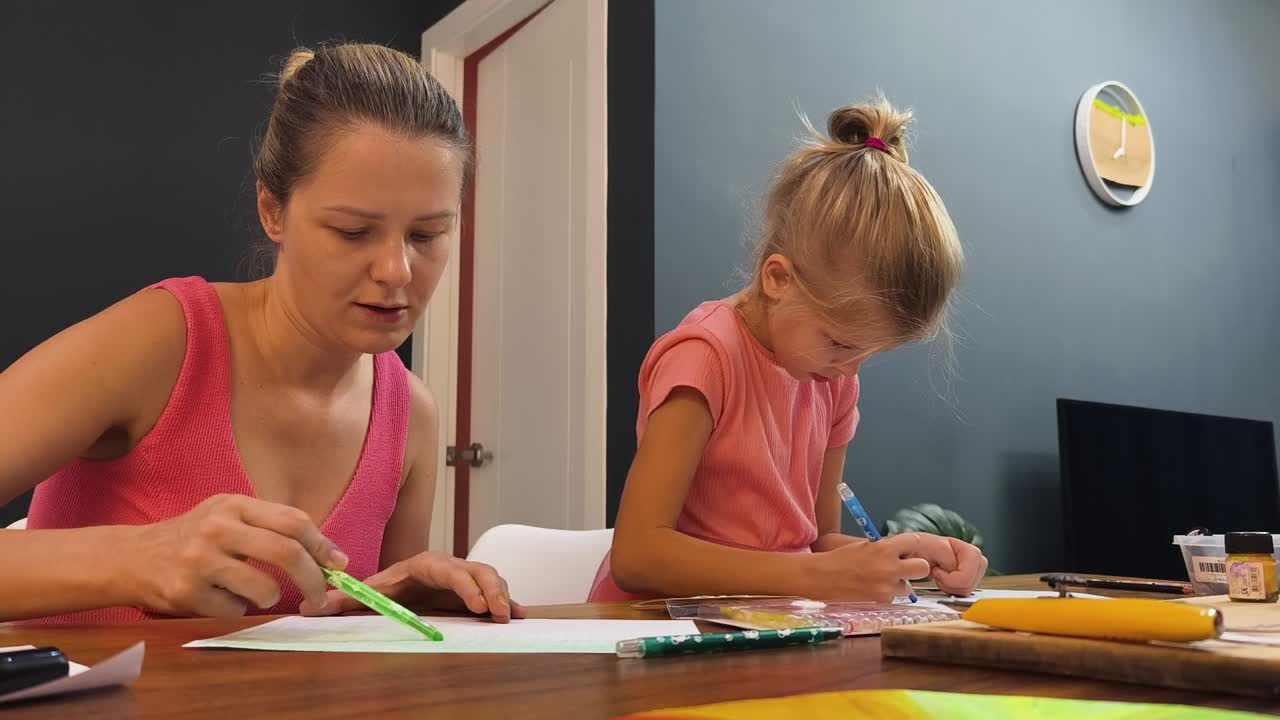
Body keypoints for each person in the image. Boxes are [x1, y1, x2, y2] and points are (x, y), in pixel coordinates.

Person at [0, 43, 523, 624]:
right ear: (272, 211)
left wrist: (396, 595)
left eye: (426, 236)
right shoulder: (159, 344)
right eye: (353, 232)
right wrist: (137, 557)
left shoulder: (410, 415)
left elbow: (367, 664)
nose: (396, 271)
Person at [592, 98, 988, 602]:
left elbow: (814, 541)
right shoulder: (705, 358)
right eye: (841, 342)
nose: (849, 370)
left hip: (762, 627)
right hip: (657, 633)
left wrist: (906, 556)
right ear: (778, 278)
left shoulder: (834, 381)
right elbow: (638, 556)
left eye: (869, 354)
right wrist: (820, 577)